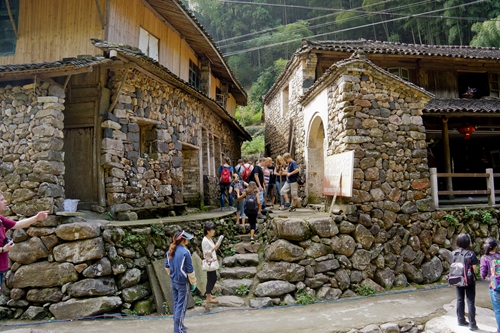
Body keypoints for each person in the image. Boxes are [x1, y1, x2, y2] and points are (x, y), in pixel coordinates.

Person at [0, 192, 49, 287]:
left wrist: (36, 218)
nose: (5, 201)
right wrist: (3, 249)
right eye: (2, 200)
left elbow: (17, 224)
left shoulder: (1, 219)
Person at [165, 230, 197, 333]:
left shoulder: (170, 251)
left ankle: (180, 325)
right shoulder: (185, 252)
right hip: (183, 283)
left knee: (176, 303)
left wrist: (173, 276)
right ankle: (177, 329)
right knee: (182, 305)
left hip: (174, 281)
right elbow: (190, 271)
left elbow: (167, 267)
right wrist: (193, 283)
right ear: (183, 240)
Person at [452, 233, 479, 331]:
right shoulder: (471, 254)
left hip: (457, 279)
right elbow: (474, 268)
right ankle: (472, 324)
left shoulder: (454, 253)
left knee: (459, 299)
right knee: (470, 301)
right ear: (468, 242)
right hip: (469, 280)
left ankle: (460, 320)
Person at [480, 237, 500, 333]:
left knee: (498, 310)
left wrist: (492, 279)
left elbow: (482, 275)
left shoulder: (485, 258)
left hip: (495, 287)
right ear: (495, 247)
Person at [202, 222, 220, 304]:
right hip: (209, 262)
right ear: (208, 231)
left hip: (211, 261)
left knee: (213, 278)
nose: (214, 231)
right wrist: (214, 248)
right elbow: (206, 253)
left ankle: (209, 294)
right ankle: (208, 296)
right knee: (211, 279)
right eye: (212, 229)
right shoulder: (205, 240)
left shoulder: (209, 239)